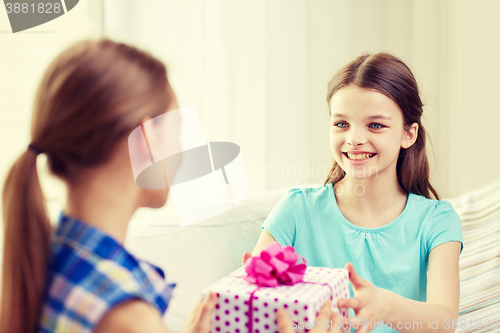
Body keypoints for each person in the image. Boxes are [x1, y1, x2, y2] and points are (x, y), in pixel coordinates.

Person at [0, 38, 343, 333]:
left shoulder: (38, 260)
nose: (180, 150)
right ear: (147, 137)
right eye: (176, 131)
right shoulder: (127, 317)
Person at [245, 53, 463, 333]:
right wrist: (252, 286)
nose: (354, 139)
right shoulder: (297, 209)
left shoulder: (437, 220)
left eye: (375, 125)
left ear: (409, 134)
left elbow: (444, 321)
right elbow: (254, 305)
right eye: (341, 124)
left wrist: (385, 306)